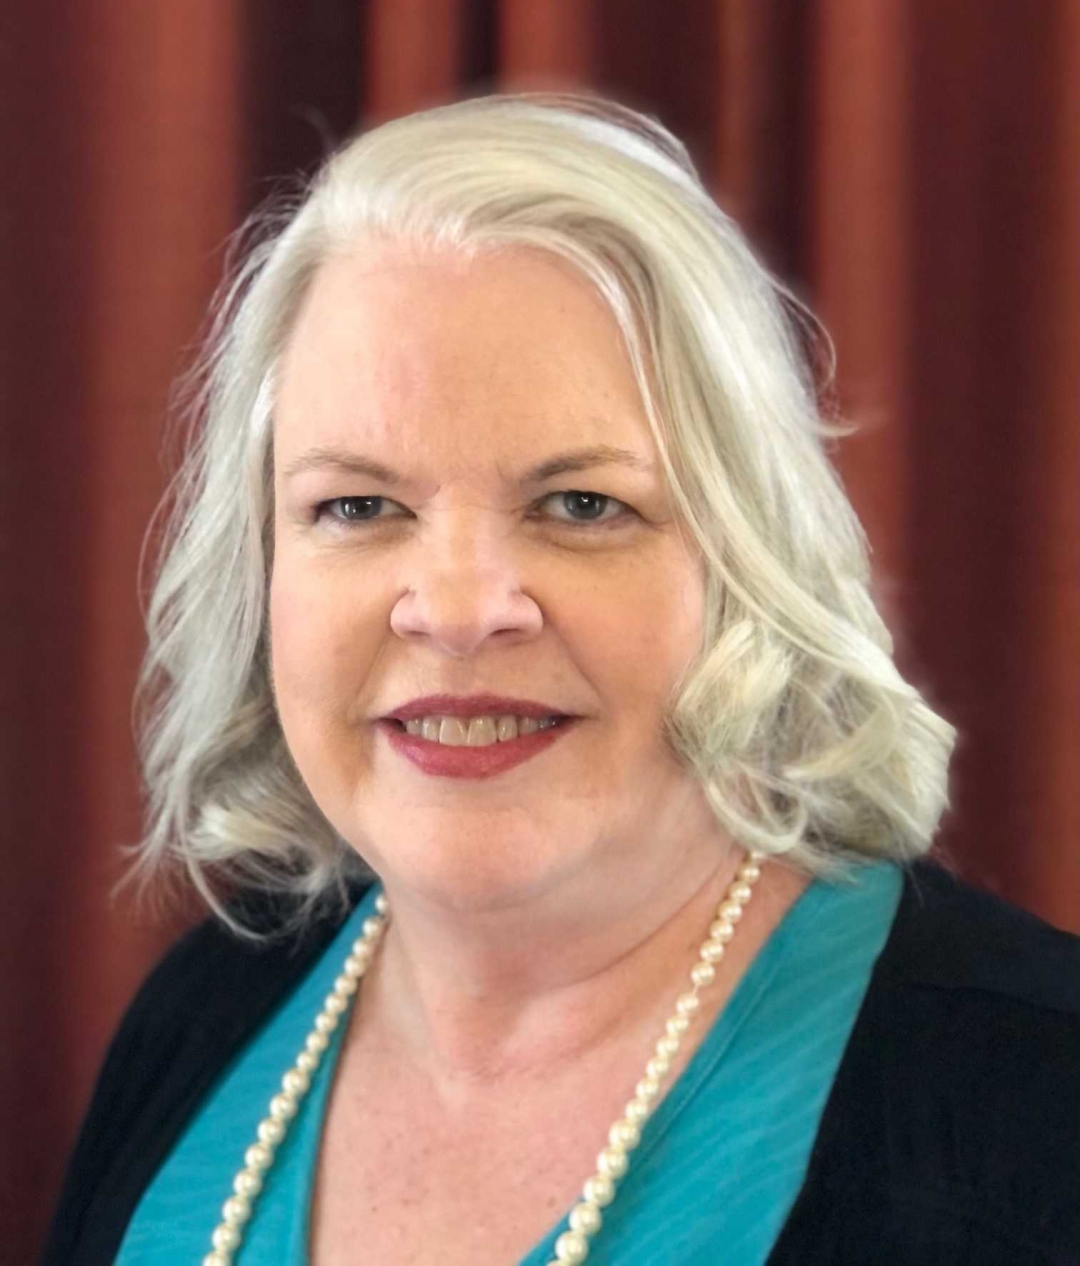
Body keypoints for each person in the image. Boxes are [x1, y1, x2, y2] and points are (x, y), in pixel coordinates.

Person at [46, 92, 1079, 1266]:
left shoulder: (1039, 1103)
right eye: (358, 506)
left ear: (746, 564)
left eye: (582, 505)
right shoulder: (206, 1016)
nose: (458, 610)